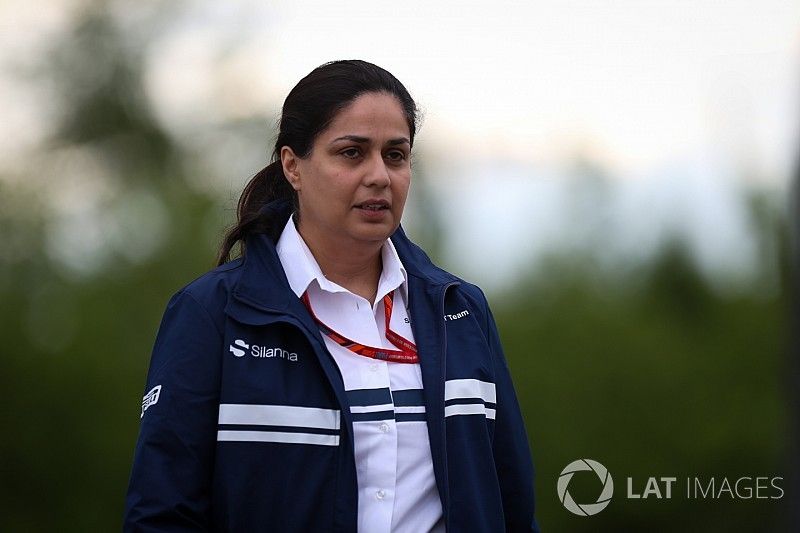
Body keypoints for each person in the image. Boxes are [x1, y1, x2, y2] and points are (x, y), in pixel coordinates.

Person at [124, 59, 539, 533]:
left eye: (396, 155)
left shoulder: (461, 310)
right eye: (352, 153)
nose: (379, 175)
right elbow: (161, 515)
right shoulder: (211, 314)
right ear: (293, 166)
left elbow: (512, 504)